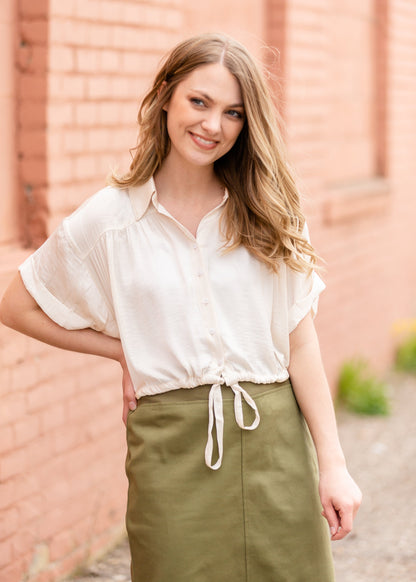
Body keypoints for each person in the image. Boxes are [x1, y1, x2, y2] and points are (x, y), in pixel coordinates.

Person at [0, 32, 361, 582]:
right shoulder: (111, 220)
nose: (213, 125)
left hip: (275, 444)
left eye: (233, 112)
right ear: (166, 96)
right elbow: (17, 304)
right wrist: (121, 348)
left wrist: (332, 465)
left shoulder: (268, 211)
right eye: (200, 102)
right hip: (170, 452)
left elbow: (301, 341)